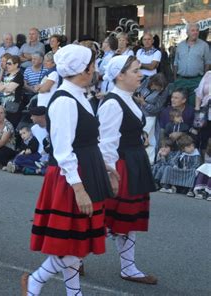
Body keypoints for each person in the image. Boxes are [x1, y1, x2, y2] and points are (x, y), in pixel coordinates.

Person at [22, 44, 117, 296]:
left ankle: (66, 291)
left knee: (76, 241)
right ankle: (36, 281)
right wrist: (78, 188)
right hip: (71, 175)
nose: (96, 70)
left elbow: (83, 140)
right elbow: (63, 150)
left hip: (84, 169)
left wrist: (104, 165)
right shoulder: (65, 100)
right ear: (84, 70)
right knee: (73, 242)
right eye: (93, 65)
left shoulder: (77, 95)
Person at [98, 55, 157, 284]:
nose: (140, 74)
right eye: (135, 70)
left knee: (125, 219)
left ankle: (128, 267)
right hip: (121, 164)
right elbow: (106, 143)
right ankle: (74, 258)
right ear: (119, 75)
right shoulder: (113, 103)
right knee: (109, 217)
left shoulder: (129, 98)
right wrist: (110, 174)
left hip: (134, 161)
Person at [134, 73, 169, 163]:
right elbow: (133, 93)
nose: (159, 89)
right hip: (135, 113)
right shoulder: (144, 80)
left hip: (149, 117)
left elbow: (157, 109)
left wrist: (143, 103)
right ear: (152, 82)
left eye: (161, 87)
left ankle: (149, 162)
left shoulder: (164, 91)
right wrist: (136, 99)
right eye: (158, 86)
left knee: (148, 140)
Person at [173, 23, 211, 107]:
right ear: (187, 32)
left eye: (197, 30)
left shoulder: (204, 46)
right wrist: (175, 79)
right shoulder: (180, 45)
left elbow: (207, 63)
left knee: (193, 105)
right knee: (178, 105)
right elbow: (175, 63)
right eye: (193, 30)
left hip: (196, 81)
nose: (195, 32)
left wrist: (203, 79)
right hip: (181, 80)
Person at [0, 55, 24, 127]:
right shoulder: (7, 75)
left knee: (11, 127)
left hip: (14, 106)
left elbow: (10, 89)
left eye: (9, 64)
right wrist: (7, 85)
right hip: (5, 105)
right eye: (7, 63)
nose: (7, 65)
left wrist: (4, 86)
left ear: (16, 64)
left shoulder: (19, 76)